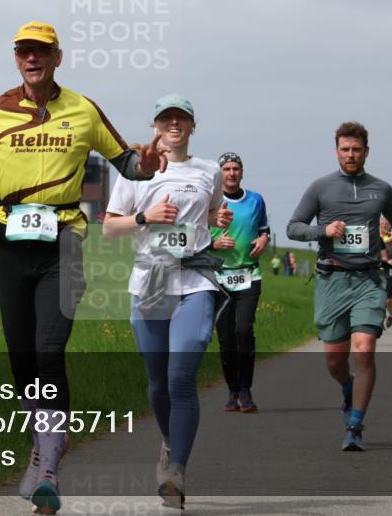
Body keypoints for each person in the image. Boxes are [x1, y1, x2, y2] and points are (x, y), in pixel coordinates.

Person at [0, 21, 167, 514]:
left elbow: (130, 165)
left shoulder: (83, 109)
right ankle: (45, 442)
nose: (32, 59)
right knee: (22, 361)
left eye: (41, 51)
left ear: (57, 56)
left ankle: (48, 465)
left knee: (50, 350)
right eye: (24, 52)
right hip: (9, 243)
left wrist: (150, 162)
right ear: (16, 59)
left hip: (64, 241)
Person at [103, 94, 231, 510]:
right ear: (155, 125)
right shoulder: (136, 169)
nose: (174, 124)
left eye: (182, 118)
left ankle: (176, 471)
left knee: (180, 379)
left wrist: (216, 221)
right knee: (158, 385)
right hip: (151, 280)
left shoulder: (209, 170)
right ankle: (167, 441)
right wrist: (146, 218)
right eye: (166, 118)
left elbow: (209, 212)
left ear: (192, 126)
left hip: (195, 280)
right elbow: (109, 229)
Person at [287, 121, 392, 452]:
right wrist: (322, 232)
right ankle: (347, 389)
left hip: (369, 278)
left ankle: (355, 425)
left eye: (356, 149)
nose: (351, 154)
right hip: (332, 279)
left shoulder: (381, 189)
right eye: (345, 149)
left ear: (366, 151)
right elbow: (293, 228)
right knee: (335, 361)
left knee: (364, 347)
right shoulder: (320, 188)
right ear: (336, 151)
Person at [209, 152, 270, 414]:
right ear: (220, 173)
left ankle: (246, 390)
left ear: (242, 172)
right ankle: (232, 390)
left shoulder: (255, 200)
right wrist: (214, 243)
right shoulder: (209, 201)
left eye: (236, 168)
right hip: (219, 278)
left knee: (244, 331)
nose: (232, 173)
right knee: (225, 338)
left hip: (249, 275)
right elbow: (194, 235)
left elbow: (264, 228)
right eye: (226, 169)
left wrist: (264, 239)